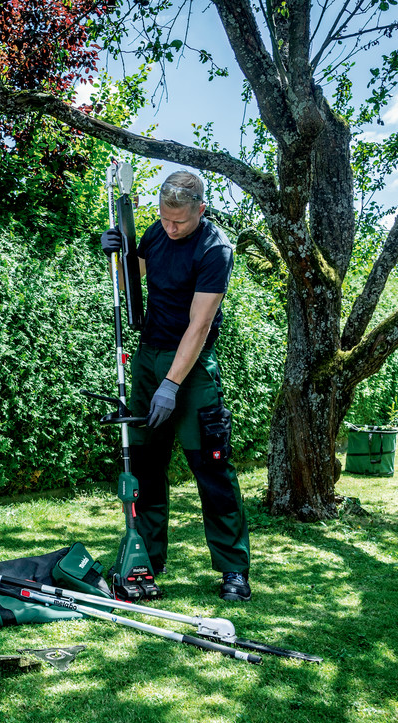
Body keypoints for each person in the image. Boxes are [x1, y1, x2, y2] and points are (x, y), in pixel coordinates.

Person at [100, 170, 252, 601]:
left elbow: (200, 325)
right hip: (148, 356)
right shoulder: (155, 233)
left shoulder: (214, 249)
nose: (170, 228)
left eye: (179, 221)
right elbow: (132, 279)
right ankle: (146, 558)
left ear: (201, 210)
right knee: (145, 466)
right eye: (165, 219)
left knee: (211, 467)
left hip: (192, 364)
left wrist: (171, 384)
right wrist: (118, 252)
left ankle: (233, 569)